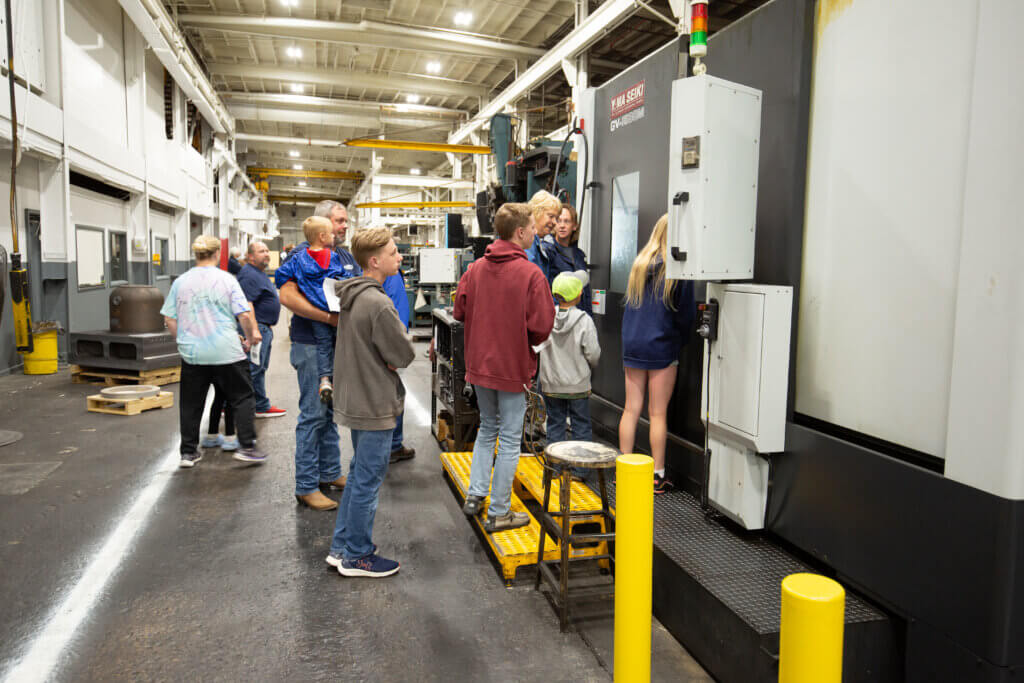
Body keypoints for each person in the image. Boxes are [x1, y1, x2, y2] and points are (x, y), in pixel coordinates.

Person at [455, 203, 555, 532]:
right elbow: (541, 325)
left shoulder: (475, 270)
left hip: (480, 367)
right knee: (511, 439)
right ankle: (499, 512)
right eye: (533, 227)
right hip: (512, 369)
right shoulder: (531, 274)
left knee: (487, 429)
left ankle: (476, 495)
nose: (537, 232)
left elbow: (459, 311)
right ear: (520, 232)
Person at [326, 228, 415, 577]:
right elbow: (402, 354)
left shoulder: (353, 295)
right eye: (394, 253)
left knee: (359, 474)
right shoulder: (378, 303)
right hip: (374, 399)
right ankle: (357, 556)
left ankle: (341, 547)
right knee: (367, 480)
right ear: (375, 261)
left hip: (356, 395)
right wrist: (395, 355)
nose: (399, 257)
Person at [276, 200, 355, 511]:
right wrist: (326, 318)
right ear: (321, 225)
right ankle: (306, 485)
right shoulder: (300, 255)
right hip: (310, 345)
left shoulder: (342, 255)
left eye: (346, 221)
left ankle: (330, 471)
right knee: (312, 414)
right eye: (338, 221)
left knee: (330, 411)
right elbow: (286, 295)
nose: (344, 226)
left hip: (337, 344)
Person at [162, 235, 268, 468]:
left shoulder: (180, 282)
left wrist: (183, 340)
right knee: (242, 397)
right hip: (226, 351)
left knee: (191, 403)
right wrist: (250, 338)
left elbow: (170, 318)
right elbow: (244, 315)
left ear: (195, 254)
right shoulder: (227, 280)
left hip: (193, 353)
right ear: (218, 253)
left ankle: (188, 453)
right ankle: (247, 446)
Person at [619, 214, 696, 494]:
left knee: (630, 408)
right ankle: (657, 475)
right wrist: (681, 341)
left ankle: (624, 468)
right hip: (662, 345)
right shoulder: (678, 271)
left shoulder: (639, 265)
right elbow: (686, 316)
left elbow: (630, 307)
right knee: (657, 413)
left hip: (633, 344)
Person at [536, 270, 601, 477]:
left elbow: (536, 345)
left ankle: (554, 468)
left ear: (555, 294)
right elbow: (593, 353)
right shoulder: (584, 320)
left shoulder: (546, 318)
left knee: (555, 424)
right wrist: (591, 367)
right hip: (578, 386)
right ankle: (581, 471)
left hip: (551, 384)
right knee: (581, 426)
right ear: (579, 294)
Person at [277, 216, 346, 403]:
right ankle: (332, 378)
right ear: (323, 237)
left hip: (314, 312)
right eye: (331, 232)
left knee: (323, 343)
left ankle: (324, 379)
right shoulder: (332, 257)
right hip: (332, 310)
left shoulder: (299, 259)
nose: (334, 235)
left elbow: (281, 274)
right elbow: (343, 277)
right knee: (336, 342)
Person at [237, 240, 287, 418]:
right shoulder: (249, 275)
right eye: (261, 251)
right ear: (250, 256)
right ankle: (259, 405)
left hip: (264, 328)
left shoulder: (258, 273)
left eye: (267, 250)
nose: (266, 254)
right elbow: (246, 304)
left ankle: (247, 403)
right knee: (254, 368)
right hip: (257, 329)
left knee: (257, 367)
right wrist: (254, 330)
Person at [382, 266, 416, 464]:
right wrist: (396, 349)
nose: (400, 257)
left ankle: (392, 444)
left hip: (389, 343)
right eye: (394, 251)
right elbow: (396, 312)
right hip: (390, 345)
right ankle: (391, 446)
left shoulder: (391, 273)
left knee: (394, 393)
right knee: (392, 396)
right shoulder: (390, 275)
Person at [542, 204, 592, 315]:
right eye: (559, 221)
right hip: (559, 318)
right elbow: (545, 291)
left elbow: (586, 292)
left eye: (567, 221)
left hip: (579, 317)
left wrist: (589, 318)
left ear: (574, 226)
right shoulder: (548, 251)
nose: (562, 226)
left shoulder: (579, 255)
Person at [524, 190, 560, 272]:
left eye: (556, 218)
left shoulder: (536, 241)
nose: (555, 222)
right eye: (551, 216)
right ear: (537, 213)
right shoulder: (527, 244)